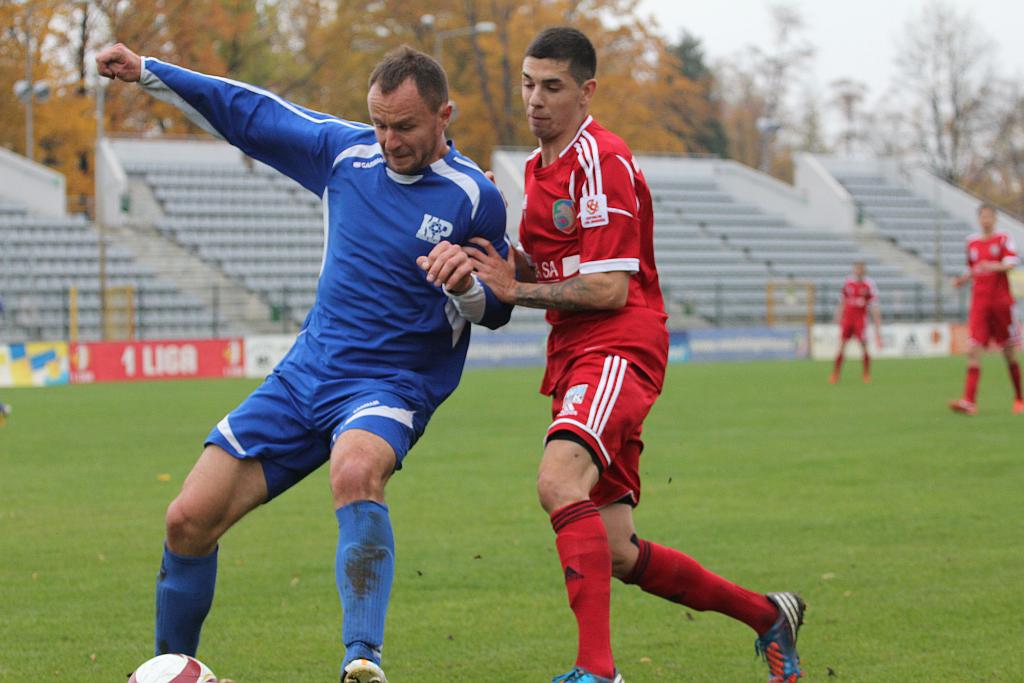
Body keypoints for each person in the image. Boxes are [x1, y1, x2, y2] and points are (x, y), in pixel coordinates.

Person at [95, 42, 511, 683]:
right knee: (187, 519)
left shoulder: (473, 196)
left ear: (443, 116)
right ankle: (171, 668)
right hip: (305, 376)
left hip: (389, 383)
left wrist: (465, 286)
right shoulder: (346, 153)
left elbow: (496, 308)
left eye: (404, 126)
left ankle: (361, 662)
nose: (389, 139)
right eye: (379, 122)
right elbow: (250, 112)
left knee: (354, 472)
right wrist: (149, 72)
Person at [461, 27, 805, 683]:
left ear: (586, 91)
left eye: (552, 87)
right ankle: (768, 614)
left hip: (619, 341)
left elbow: (610, 287)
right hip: (576, 351)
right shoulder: (537, 170)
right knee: (617, 549)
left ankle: (598, 670)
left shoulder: (602, 159)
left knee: (558, 480)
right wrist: (506, 263)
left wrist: (514, 286)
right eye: (528, 84)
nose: (535, 99)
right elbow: (562, 263)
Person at [949, 203, 1022, 415]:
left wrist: (992, 265)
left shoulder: (1003, 239)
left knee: (1008, 353)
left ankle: (1019, 398)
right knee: (973, 349)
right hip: (979, 303)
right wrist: (962, 280)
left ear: (995, 219)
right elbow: (973, 269)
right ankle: (969, 401)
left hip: (1001, 304)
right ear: (978, 218)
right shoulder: (971, 243)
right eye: (983, 216)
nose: (986, 220)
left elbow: (1011, 263)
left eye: (989, 216)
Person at [829, 261, 882, 384]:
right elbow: (842, 301)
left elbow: (874, 306)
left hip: (860, 320)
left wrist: (877, 323)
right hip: (848, 319)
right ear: (854, 270)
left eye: (860, 269)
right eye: (856, 269)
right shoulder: (848, 282)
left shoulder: (869, 285)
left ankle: (866, 374)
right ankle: (835, 374)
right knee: (841, 346)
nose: (858, 271)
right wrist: (838, 315)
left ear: (864, 270)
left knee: (864, 347)